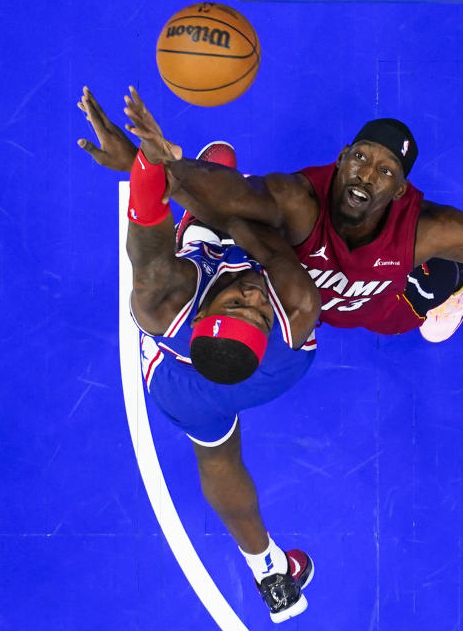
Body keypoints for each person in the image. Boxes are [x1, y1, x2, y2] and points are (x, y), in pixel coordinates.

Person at [122, 88, 463, 354]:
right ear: (342, 158)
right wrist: (163, 164)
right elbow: (238, 195)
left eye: (387, 170)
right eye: (362, 157)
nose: (369, 174)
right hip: (302, 294)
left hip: (388, 304)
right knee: (228, 212)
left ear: (401, 187)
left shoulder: (429, 229)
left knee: (448, 279)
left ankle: (454, 289)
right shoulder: (298, 200)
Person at [77, 87, 318, 624]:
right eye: (253, 306)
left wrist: (150, 164)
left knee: (215, 452)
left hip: (186, 389)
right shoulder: (293, 315)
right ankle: (269, 573)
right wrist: (185, 179)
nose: (255, 297)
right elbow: (253, 235)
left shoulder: (163, 299)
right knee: (242, 200)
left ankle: (267, 570)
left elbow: (146, 225)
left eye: (243, 302)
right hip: (268, 372)